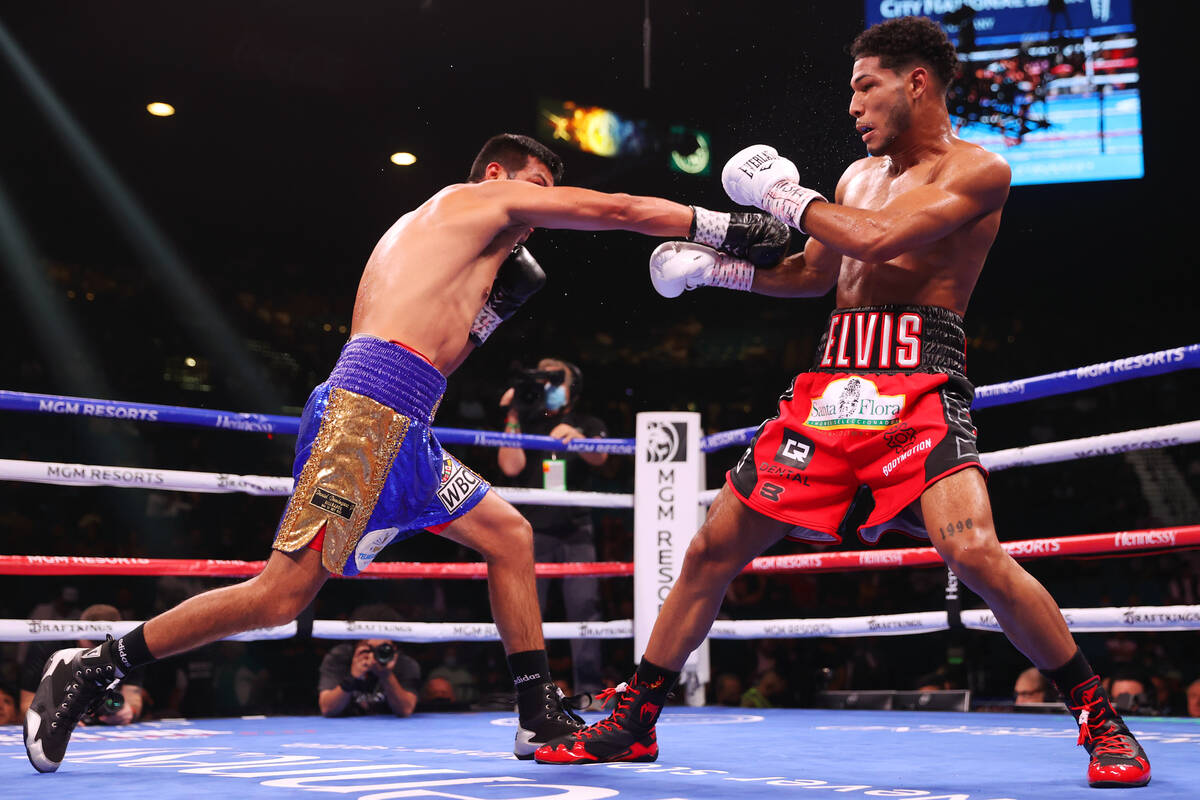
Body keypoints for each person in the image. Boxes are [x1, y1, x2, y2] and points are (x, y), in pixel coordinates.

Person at [24, 132, 790, 773]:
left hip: (406, 422)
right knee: (279, 597)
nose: (539, 207)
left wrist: (489, 315)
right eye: (536, 188)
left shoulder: (446, 242)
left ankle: (537, 714)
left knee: (509, 535)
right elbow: (615, 210)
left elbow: (440, 350)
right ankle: (95, 665)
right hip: (366, 416)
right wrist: (717, 228)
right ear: (497, 175)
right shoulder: (470, 201)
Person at [535, 18, 1151, 789]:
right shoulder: (857, 177)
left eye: (866, 87)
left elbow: (880, 240)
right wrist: (718, 273)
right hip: (831, 385)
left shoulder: (980, 171)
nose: (853, 107)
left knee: (973, 552)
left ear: (916, 82)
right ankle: (635, 720)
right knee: (709, 550)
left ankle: (1101, 720)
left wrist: (788, 196)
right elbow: (813, 273)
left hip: (918, 378)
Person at [498, 357, 607, 696]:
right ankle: (531, 692)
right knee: (529, 611)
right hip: (533, 532)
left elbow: (601, 457)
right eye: (541, 377)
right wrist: (513, 413)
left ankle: (588, 689)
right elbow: (510, 467)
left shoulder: (586, 422)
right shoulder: (526, 422)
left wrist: (578, 438)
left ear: (571, 389)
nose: (547, 385)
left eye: (555, 378)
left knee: (584, 611)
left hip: (576, 530)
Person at [21, 605, 146, 727]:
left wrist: (128, 712)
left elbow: (133, 697)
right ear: (80, 636)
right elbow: (26, 703)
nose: (100, 650)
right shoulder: (49, 644)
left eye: (106, 644)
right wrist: (51, 719)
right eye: (94, 642)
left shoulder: (127, 648)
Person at [317, 638, 420, 717]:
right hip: (346, 728)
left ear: (394, 649)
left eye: (382, 649)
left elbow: (405, 710)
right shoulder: (340, 658)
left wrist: (386, 674)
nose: (373, 656)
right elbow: (327, 708)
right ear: (356, 647)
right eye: (368, 649)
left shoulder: (404, 663)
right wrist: (353, 677)